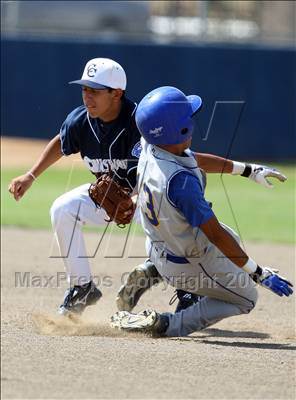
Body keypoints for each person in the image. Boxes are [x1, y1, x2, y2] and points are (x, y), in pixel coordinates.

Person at [8, 58, 287, 316]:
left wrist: (246, 169)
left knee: (173, 221)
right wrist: (31, 175)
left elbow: (190, 160)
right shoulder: (80, 121)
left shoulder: (142, 121)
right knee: (63, 208)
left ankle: (185, 289)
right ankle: (82, 289)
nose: (87, 95)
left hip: (149, 200)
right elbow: (62, 141)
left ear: (116, 93)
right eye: (85, 89)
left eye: (95, 89)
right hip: (107, 198)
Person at [110, 86, 293, 337]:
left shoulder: (151, 145)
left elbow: (192, 158)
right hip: (187, 263)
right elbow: (216, 235)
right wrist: (258, 273)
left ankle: (153, 270)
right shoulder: (181, 184)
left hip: (159, 247)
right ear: (181, 130)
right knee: (246, 298)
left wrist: (247, 169)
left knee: (233, 242)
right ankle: (166, 324)